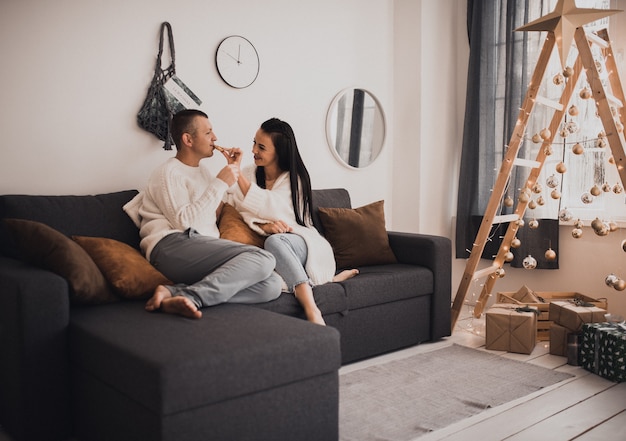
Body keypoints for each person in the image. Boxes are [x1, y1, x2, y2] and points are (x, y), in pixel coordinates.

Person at [128, 109, 282, 319]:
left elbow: (212, 213)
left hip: (199, 249)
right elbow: (184, 223)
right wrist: (220, 183)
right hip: (169, 247)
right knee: (263, 257)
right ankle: (194, 297)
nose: (215, 138)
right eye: (208, 133)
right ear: (188, 139)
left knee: (271, 285)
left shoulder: (203, 173)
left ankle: (175, 294)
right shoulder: (168, 172)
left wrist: (231, 169)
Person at [226, 118, 358, 325]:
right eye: (254, 143)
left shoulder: (295, 179)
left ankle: (311, 309)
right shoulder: (251, 173)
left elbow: (272, 207)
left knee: (275, 242)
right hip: (275, 245)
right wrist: (262, 226)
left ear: (279, 152)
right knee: (268, 277)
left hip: (302, 242)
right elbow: (233, 205)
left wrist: (236, 173)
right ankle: (321, 281)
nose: (253, 150)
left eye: (261, 147)